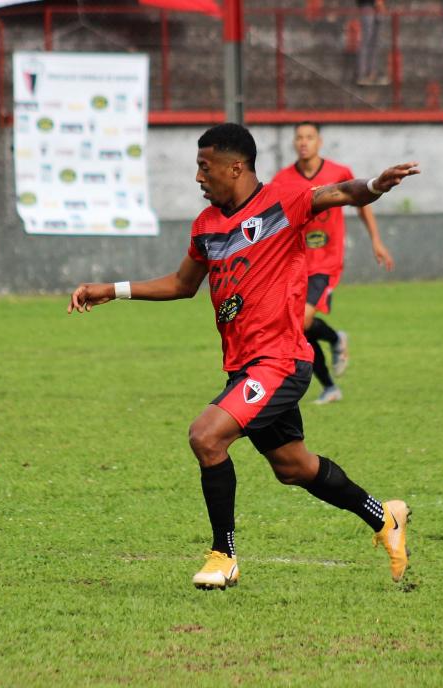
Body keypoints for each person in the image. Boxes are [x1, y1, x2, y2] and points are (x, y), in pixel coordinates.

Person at [69, 123, 418, 589]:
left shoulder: (284, 202)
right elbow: (181, 284)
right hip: (245, 367)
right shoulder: (206, 226)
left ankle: (223, 555)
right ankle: (385, 515)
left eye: (204, 167)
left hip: (281, 361)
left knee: (206, 436)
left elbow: (342, 193)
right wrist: (112, 290)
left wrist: (374, 186)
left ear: (235, 167)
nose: (198, 178)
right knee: (294, 468)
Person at [272, 121, 394, 404]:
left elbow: (361, 201)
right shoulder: (282, 179)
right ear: (294, 142)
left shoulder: (339, 172)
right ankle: (329, 386)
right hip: (295, 264)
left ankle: (337, 340)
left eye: (309, 137)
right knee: (298, 327)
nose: (304, 142)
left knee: (302, 319)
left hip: (325, 262)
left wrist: (375, 239)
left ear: (319, 142)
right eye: (299, 137)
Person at [356, 0, 388, 86]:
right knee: (367, 40)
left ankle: (372, 72)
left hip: (380, 7)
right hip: (367, 5)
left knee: (377, 42)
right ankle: (362, 74)